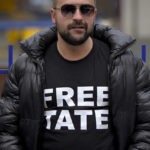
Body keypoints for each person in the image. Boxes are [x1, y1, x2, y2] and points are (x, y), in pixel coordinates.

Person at [0, 0, 150, 150]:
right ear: (54, 15)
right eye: (68, 9)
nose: (78, 17)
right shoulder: (26, 68)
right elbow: (7, 131)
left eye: (86, 10)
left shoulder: (129, 66)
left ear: (94, 14)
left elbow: (146, 129)